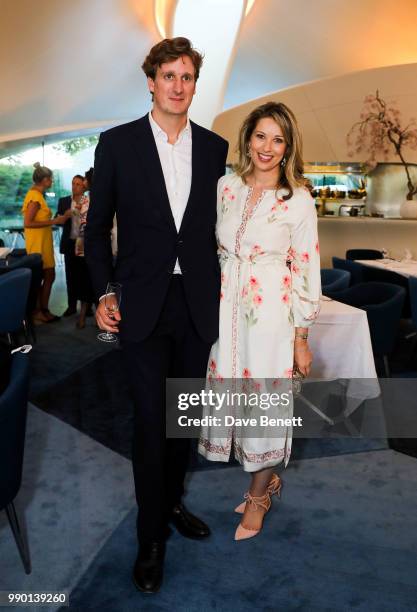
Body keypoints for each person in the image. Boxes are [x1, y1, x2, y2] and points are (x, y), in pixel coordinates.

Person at [85, 37, 228, 593]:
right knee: (150, 424)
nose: (177, 85)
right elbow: (96, 233)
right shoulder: (117, 145)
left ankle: (171, 502)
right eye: (167, 75)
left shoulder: (215, 149)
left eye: (186, 76)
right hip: (141, 307)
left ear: (195, 84)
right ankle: (150, 538)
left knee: (182, 421)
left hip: (197, 305)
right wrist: (102, 293)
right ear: (150, 81)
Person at [198, 101, 321, 540]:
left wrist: (301, 336)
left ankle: (258, 496)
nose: (267, 147)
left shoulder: (298, 199)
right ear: (248, 138)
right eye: (261, 136)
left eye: (278, 139)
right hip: (225, 310)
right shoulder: (225, 187)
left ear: (288, 148)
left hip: (271, 316)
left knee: (264, 408)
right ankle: (265, 480)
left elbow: (307, 268)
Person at [22, 163, 71, 323]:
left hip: (43, 242)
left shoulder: (37, 195)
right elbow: (28, 223)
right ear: (43, 180)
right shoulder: (35, 197)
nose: (52, 181)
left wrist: (58, 219)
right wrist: (54, 221)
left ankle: (42, 310)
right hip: (38, 244)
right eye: (50, 179)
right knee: (46, 276)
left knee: (48, 275)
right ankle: (38, 311)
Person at [57, 175, 86, 317]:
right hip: (69, 243)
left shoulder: (88, 201)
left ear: (84, 186)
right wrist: (65, 216)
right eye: (73, 183)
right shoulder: (63, 201)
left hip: (84, 243)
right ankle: (71, 306)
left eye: (78, 184)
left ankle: (87, 307)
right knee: (70, 276)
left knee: (84, 275)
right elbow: (57, 221)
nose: (75, 186)